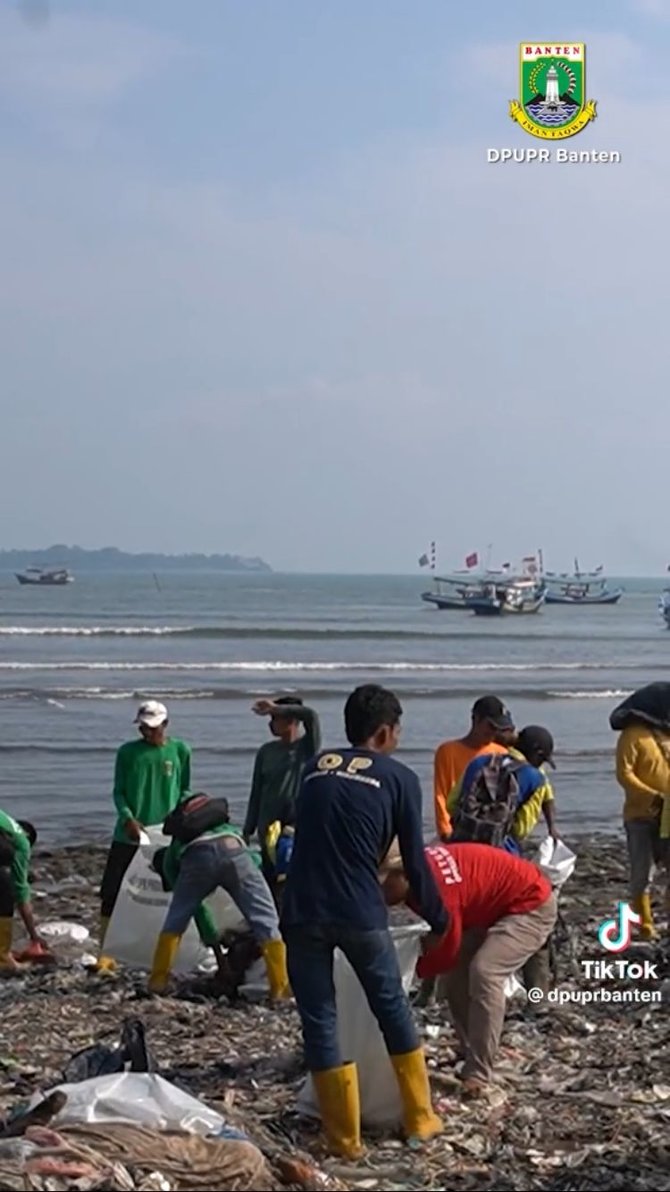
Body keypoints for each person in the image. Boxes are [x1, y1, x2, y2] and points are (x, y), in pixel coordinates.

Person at [281, 684, 447, 1159]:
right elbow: (414, 863)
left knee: (320, 1020)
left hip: (301, 909)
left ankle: (344, 1140)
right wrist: (437, 918)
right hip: (358, 908)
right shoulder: (398, 777)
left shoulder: (316, 768)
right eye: (397, 731)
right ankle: (419, 1117)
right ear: (384, 732)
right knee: (390, 1006)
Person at [381, 841, 557, 1096]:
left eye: (382, 885)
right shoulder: (417, 877)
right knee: (457, 977)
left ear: (404, 875)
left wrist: (406, 970)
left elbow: (444, 953)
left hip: (531, 904)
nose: (378, 894)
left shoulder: (436, 889)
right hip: (485, 909)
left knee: (486, 972)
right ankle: (469, 1049)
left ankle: (479, 1071)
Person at [148, 793, 289, 998]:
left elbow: (198, 911)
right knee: (266, 920)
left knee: (175, 922)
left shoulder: (172, 859)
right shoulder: (223, 826)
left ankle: (157, 981)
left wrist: (215, 947)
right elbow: (255, 861)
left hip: (199, 856)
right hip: (235, 849)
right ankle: (280, 989)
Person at [97, 700, 191, 969]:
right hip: (129, 833)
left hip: (165, 835)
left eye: (152, 728)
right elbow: (119, 791)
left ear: (165, 724)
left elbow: (184, 789)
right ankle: (105, 953)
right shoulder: (127, 752)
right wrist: (127, 818)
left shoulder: (180, 750)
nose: (147, 733)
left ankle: (159, 948)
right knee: (112, 892)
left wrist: (180, 821)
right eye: (143, 728)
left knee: (164, 892)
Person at [244, 696, 321, 900]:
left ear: (292, 721)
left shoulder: (306, 748)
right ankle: (273, 925)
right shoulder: (266, 752)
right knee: (270, 881)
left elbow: (311, 716)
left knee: (292, 879)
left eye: (275, 718)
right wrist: (247, 829)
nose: (271, 724)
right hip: (267, 826)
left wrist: (278, 707)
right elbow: (257, 791)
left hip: (295, 827)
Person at [611, 684, 670, 940]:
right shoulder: (631, 736)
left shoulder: (666, 735)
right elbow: (624, 774)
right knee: (642, 871)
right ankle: (645, 924)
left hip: (668, 813)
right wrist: (651, 795)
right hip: (641, 815)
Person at [447, 725, 558, 852]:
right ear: (537, 755)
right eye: (543, 760)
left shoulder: (478, 762)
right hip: (501, 852)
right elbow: (522, 829)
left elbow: (451, 803)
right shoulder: (535, 778)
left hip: (460, 845)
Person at [433, 696, 515, 841]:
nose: (493, 732)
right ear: (476, 719)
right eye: (491, 726)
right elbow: (441, 794)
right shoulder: (448, 751)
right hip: (457, 828)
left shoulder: (501, 753)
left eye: (498, 728)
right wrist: (445, 830)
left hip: (489, 830)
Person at [0, 813, 44, 972]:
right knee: (5, 892)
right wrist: (34, 936)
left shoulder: (5, 823)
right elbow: (20, 890)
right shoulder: (21, 840)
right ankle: (2, 958)